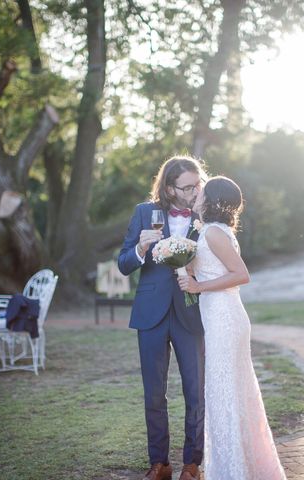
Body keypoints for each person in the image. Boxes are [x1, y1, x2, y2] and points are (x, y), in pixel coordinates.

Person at [177, 176, 287, 480]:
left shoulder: (213, 232)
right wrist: (186, 267)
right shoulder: (214, 231)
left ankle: (233, 472)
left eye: (203, 191)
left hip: (225, 318)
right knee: (233, 394)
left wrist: (198, 286)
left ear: (212, 200)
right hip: (220, 317)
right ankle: (241, 467)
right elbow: (214, 268)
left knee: (224, 393)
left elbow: (241, 274)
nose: (197, 195)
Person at [118, 156, 207, 480]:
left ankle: (192, 463)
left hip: (191, 313)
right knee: (154, 393)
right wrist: (140, 250)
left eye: (198, 184)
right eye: (187, 187)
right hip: (151, 315)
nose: (195, 191)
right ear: (169, 189)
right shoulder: (145, 213)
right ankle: (160, 463)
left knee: (195, 392)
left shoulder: (205, 214)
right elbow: (124, 263)